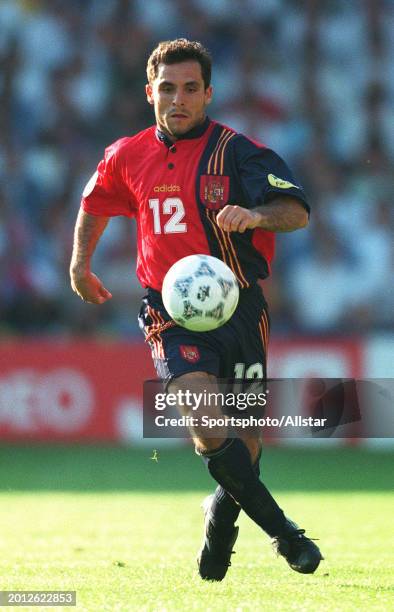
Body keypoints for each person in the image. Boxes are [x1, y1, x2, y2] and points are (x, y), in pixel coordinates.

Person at [70, 38, 323, 581]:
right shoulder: (126, 154)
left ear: (208, 93)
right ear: (149, 93)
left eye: (190, 89)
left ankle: (220, 515)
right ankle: (287, 535)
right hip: (169, 310)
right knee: (207, 426)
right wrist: (79, 266)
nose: (177, 99)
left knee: (247, 446)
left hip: (242, 309)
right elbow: (93, 203)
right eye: (166, 89)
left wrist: (254, 215)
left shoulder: (238, 152)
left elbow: (296, 212)